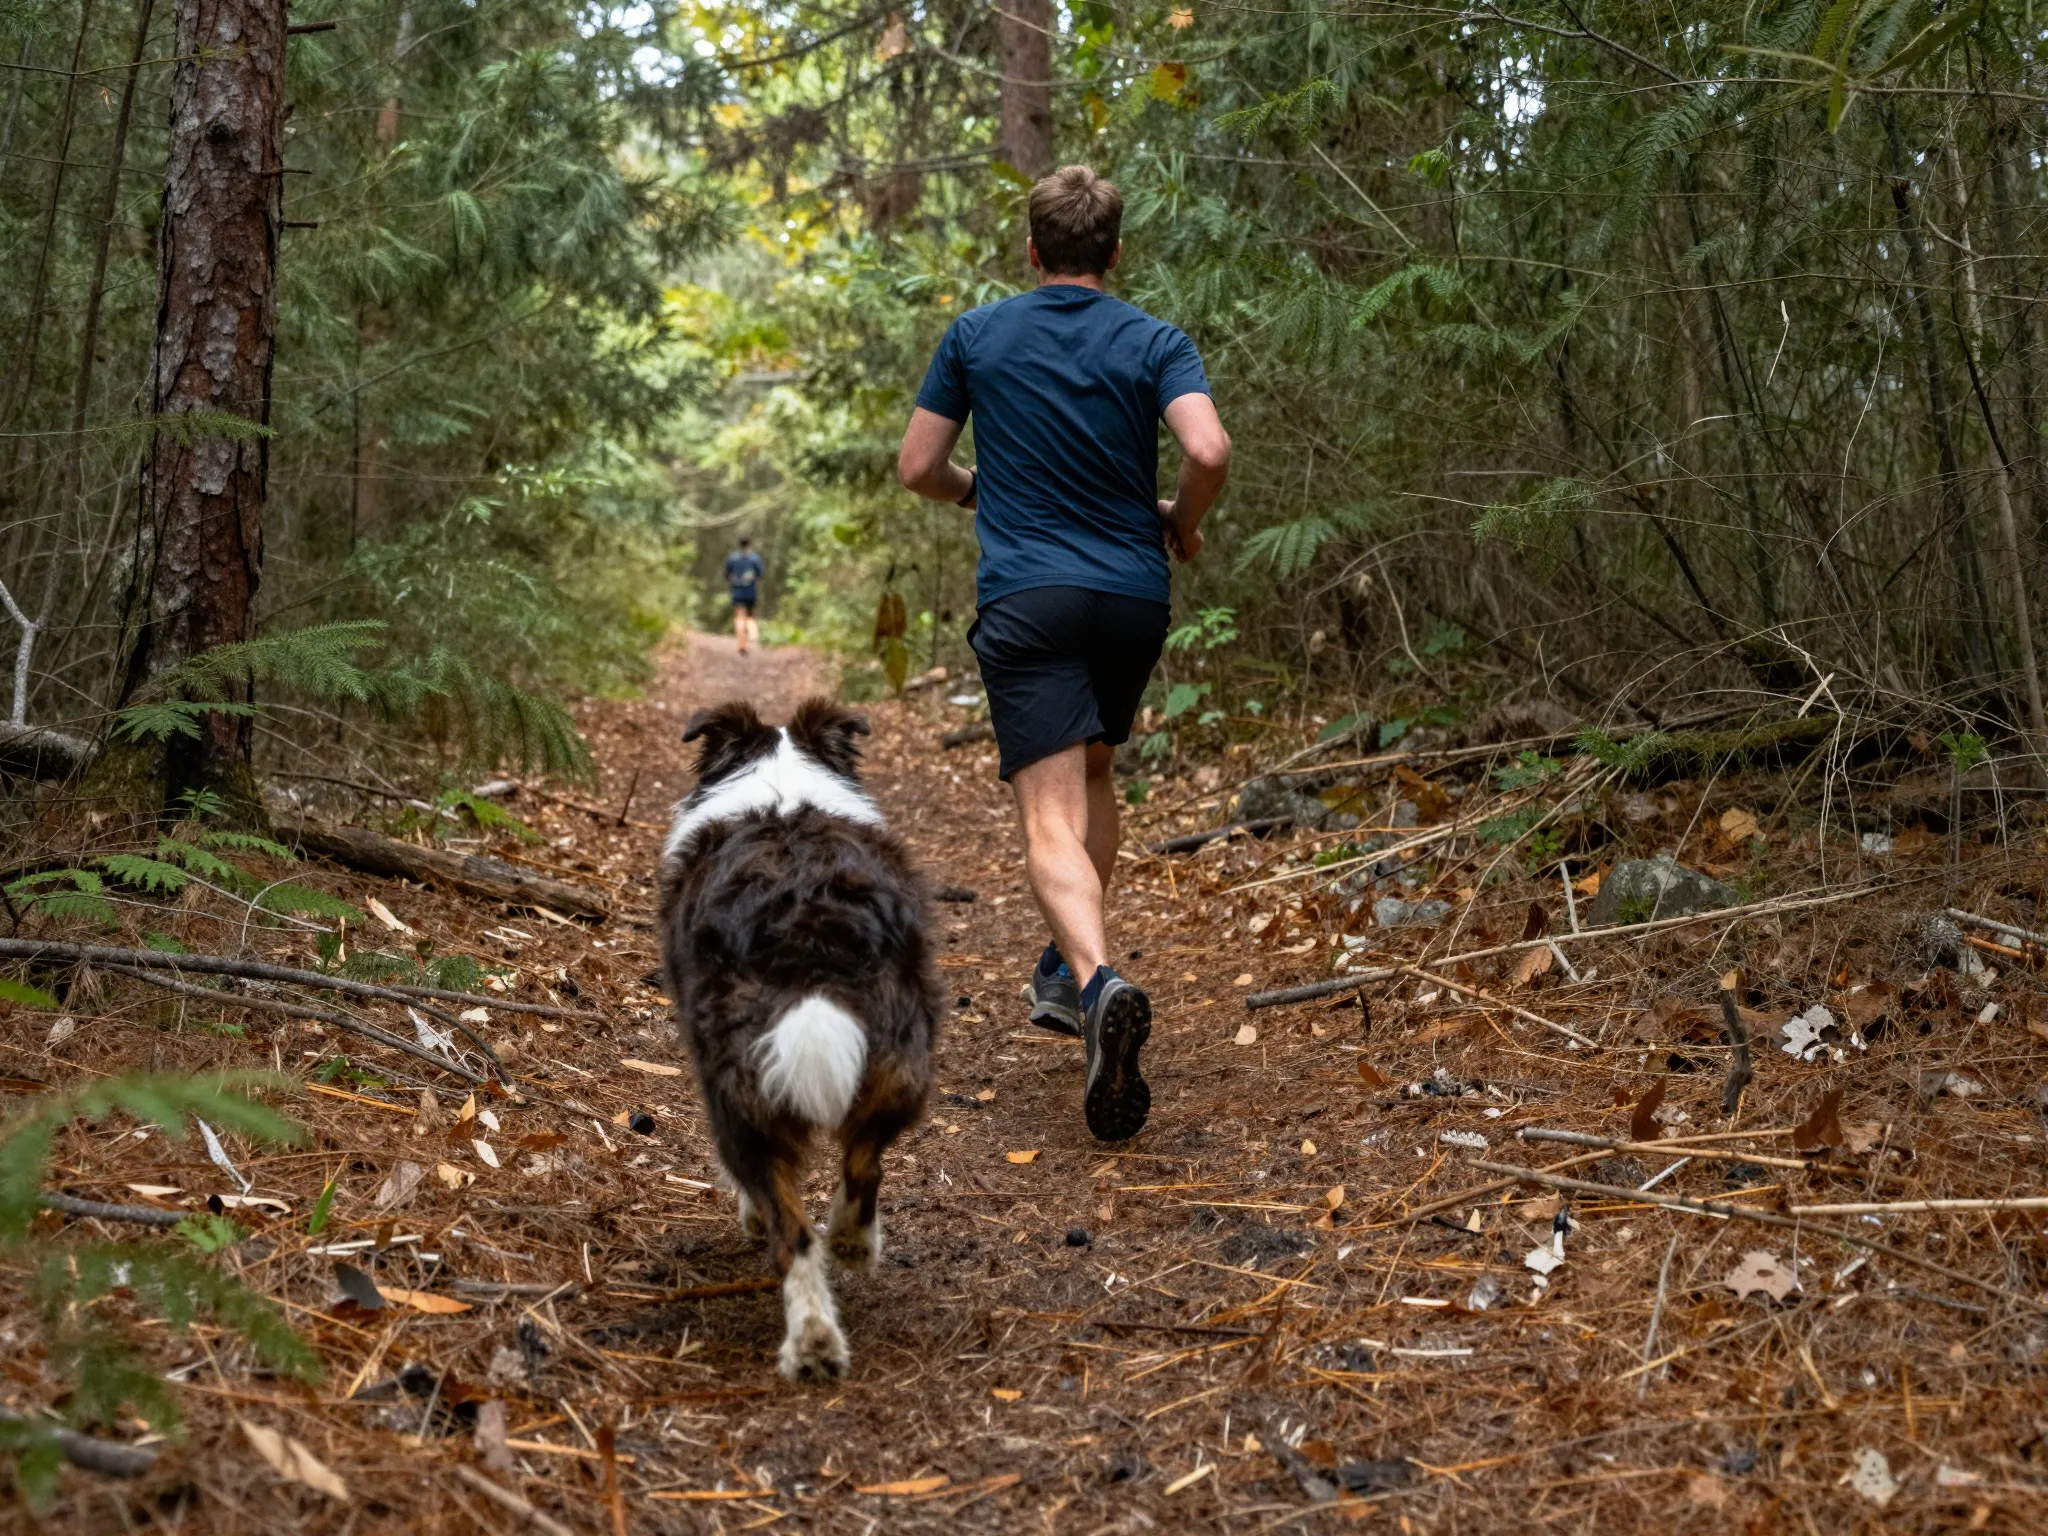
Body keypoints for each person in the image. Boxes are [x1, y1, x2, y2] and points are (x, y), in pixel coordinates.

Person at [895, 164, 1231, 1141]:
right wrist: (1185, 525)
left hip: (1029, 597)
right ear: (1115, 251)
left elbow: (917, 466)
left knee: (1046, 811)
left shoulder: (977, 335)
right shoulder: (1154, 341)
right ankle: (1062, 967)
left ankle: (1092, 981)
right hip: (1130, 595)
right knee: (1094, 771)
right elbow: (1206, 450)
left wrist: (978, 496)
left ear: (1032, 250)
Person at [724, 537, 765, 654]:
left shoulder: (732, 558)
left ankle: (742, 644)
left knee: (739, 616)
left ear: (738, 545)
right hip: (750, 592)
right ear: (749, 545)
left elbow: (727, 575)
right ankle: (753, 634)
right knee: (750, 615)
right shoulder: (754, 559)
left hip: (737, 591)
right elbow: (760, 575)